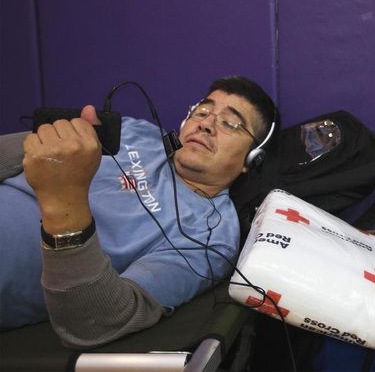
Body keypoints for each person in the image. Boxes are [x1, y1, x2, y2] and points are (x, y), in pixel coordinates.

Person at [0, 75, 276, 348]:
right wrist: (47, 143)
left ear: (251, 158)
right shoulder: (136, 131)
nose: (206, 124)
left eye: (231, 123)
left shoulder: (210, 236)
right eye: (203, 111)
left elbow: (97, 322)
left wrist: (64, 201)